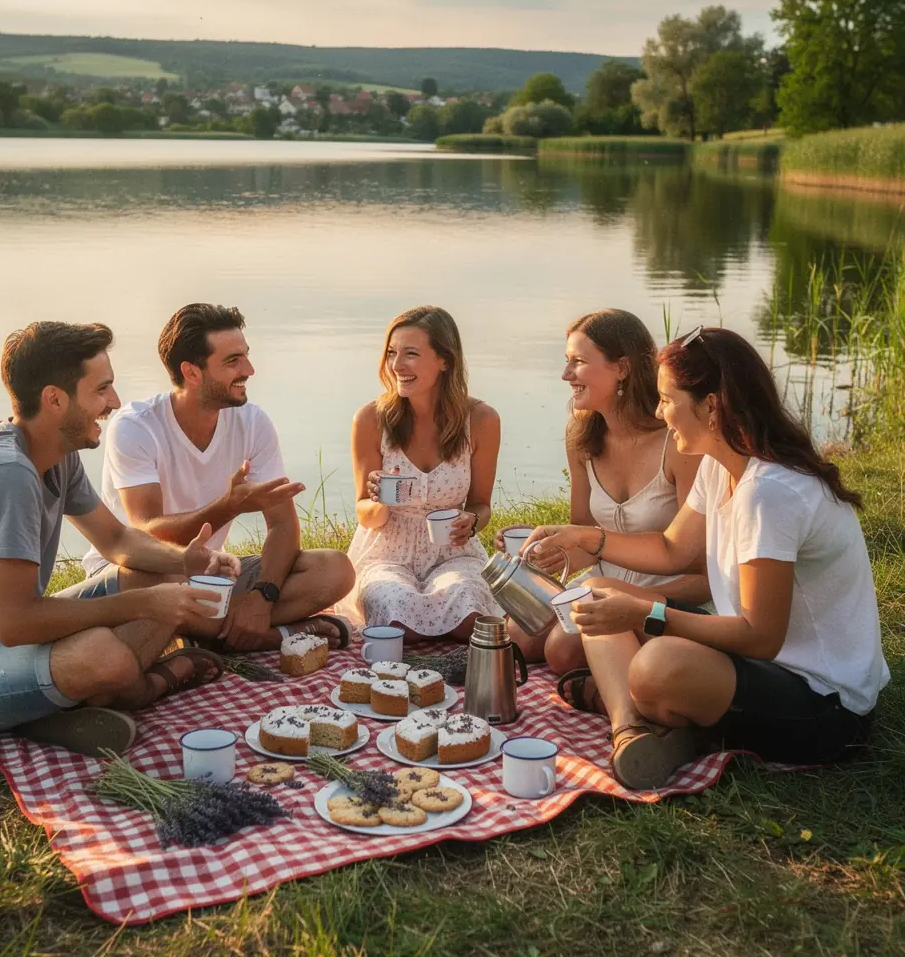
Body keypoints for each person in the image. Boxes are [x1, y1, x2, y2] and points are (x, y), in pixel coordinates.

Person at [524, 327, 889, 790]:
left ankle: (667, 719)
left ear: (711, 406)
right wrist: (586, 538)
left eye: (666, 399)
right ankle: (630, 729)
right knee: (597, 594)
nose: (658, 413)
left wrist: (644, 613)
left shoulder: (769, 493)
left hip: (824, 704)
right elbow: (672, 549)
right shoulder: (723, 464)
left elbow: (760, 637)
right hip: (762, 667)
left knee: (656, 667)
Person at [0, 321, 242, 757]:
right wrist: (145, 605)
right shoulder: (4, 475)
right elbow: (15, 624)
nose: (114, 402)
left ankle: (57, 704)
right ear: (55, 399)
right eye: (102, 390)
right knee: (99, 654)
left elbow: (116, 539)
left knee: (152, 571)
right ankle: (140, 689)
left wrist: (186, 560)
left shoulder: (53, 454)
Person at [82, 304, 355, 652]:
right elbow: (146, 534)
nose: (250, 370)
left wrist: (262, 596)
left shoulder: (252, 423)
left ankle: (211, 633)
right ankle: (277, 636)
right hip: (142, 574)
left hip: (212, 577)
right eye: (233, 362)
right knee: (165, 580)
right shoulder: (136, 426)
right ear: (192, 372)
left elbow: (283, 526)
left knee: (335, 569)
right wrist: (227, 507)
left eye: (246, 356)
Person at [495, 310, 710, 682]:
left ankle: (620, 679)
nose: (565, 375)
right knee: (518, 636)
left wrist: (620, 593)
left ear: (622, 368)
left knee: (561, 649)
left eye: (578, 362)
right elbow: (585, 536)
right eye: (566, 362)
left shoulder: (677, 443)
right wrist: (546, 547)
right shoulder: (583, 435)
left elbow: (703, 573)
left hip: (668, 591)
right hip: (600, 582)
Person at [337, 305, 502, 639]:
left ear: (445, 361)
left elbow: (481, 505)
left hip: (453, 555)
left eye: (410, 354)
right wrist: (380, 500)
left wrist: (471, 522)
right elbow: (365, 514)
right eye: (391, 353)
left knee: (470, 613)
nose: (397, 366)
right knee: (395, 617)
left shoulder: (482, 420)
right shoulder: (370, 419)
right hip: (385, 554)